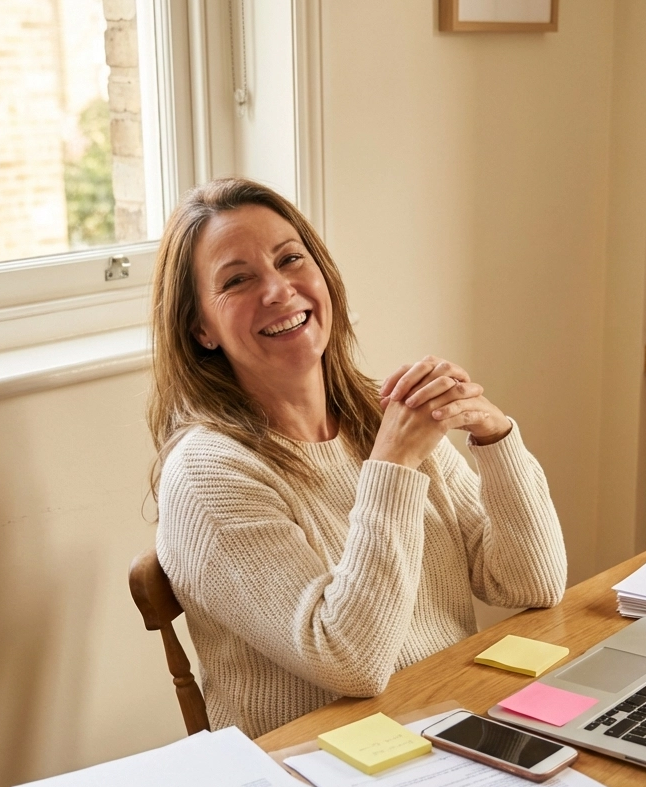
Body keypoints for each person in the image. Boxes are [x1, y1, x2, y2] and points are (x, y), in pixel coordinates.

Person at [149, 177, 567, 739]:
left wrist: (495, 439)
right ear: (201, 328)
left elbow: (531, 584)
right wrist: (393, 467)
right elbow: (349, 660)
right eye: (238, 280)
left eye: (290, 259)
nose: (278, 290)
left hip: (449, 721)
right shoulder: (207, 474)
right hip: (317, 770)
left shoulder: (379, 419)